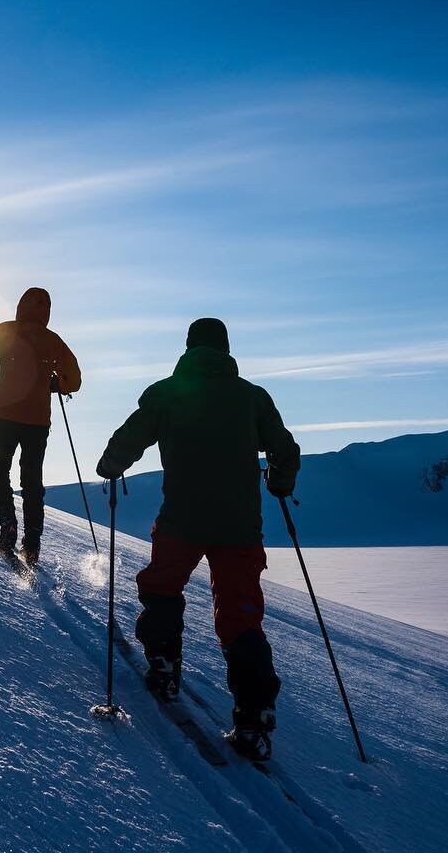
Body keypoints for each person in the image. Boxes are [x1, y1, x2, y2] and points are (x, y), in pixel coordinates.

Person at [95, 317, 300, 761]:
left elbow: (131, 435)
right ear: (225, 349)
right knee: (241, 616)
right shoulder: (252, 397)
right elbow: (285, 451)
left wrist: (112, 462)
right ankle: (254, 715)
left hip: (181, 520)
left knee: (162, 587)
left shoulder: (167, 393)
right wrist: (280, 483)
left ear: (188, 348)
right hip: (239, 527)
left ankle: (164, 662)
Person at [0, 287, 81, 565]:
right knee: (32, 481)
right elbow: (75, 379)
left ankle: (7, 520)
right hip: (38, 422)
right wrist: (57, 384)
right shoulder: (53, 341)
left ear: (21, 306)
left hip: (5, 416)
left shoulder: (6, 331)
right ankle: (32, 543)